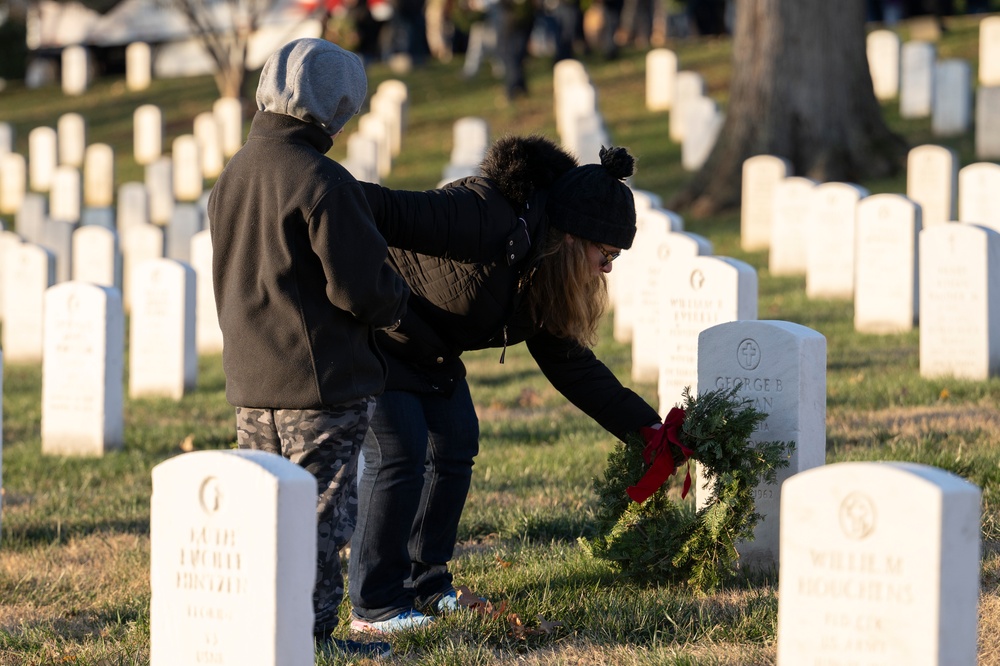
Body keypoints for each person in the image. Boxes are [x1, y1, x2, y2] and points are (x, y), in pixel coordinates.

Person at [347, 135, 663, 633]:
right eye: (605, 253)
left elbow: (573, 368)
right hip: (374, 329)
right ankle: (375, 607)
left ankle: (427, 586)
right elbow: (381, 207)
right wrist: (303, 188)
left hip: (432, 349)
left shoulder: (544, 280)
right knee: (400, 451)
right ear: (573, 237)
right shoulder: (485, 213)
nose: (607, 268)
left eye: (615, 258)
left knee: (454, 444)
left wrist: (646, 429)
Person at [207, 37, 409, 658]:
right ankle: (311, 640)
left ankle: (264, 631)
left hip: (251, 377)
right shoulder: (321, 180)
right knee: (320, 518)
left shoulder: (232, 175)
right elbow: (358, 288)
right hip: (319, 383)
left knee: (263, 516)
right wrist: (395, 301)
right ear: (335, 105)